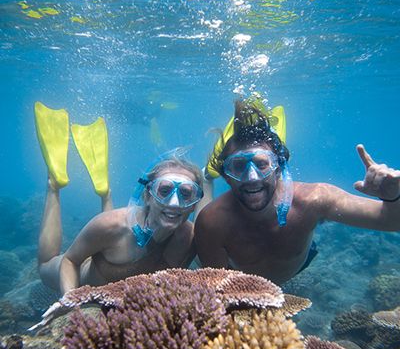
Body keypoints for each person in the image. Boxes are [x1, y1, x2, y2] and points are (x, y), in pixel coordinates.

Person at [195, 94, 400, 285]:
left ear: (279, 168)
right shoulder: (212, 222)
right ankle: (206, 177)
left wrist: (393, 196)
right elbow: (218, 289)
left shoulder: (315, 199)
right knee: (197, 233)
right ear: (226, 177)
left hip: (301, 264)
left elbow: (392, 221)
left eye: (262, 164)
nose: (252, 177)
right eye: (238, 166)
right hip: (244, 284)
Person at [35, 102, 203, 296]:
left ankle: (105, 193)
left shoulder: (190, 237)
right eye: (164, 191)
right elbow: (70, 261)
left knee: (109, 233)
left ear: (194, 203)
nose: (174, 203)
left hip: (115, 273)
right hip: (85, 275)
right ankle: (54, 186)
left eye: (186, 193)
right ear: (147, 195)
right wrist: (73, 304)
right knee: (44, 267)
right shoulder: (113, 225)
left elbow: (218, 264)